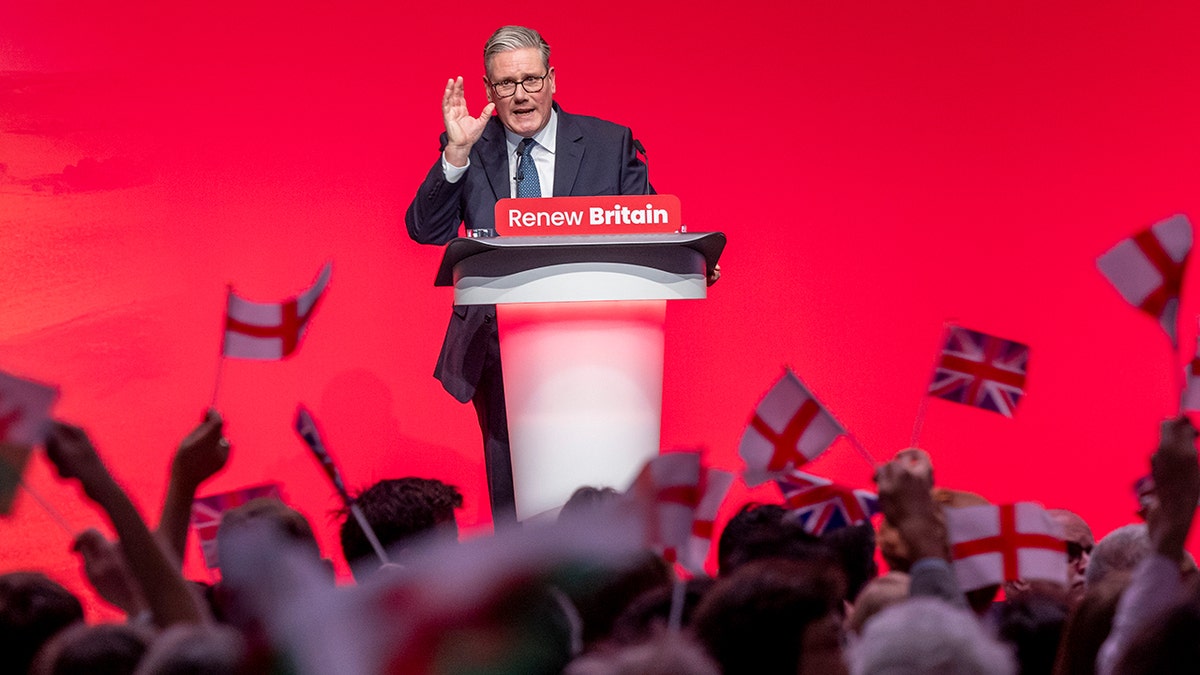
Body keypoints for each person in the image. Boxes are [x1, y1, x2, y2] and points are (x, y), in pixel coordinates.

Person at [405, 25, 650, 527]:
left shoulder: (610, 143)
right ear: (489, 89)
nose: (521, 96)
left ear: (553, 79)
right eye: (506, 85)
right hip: (498, 352)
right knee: (515, 508)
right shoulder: (470, 145)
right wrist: (455, 155)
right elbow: (425, 230)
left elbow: (648, 229)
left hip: (599, 351)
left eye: (532, 80)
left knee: (603, 506)